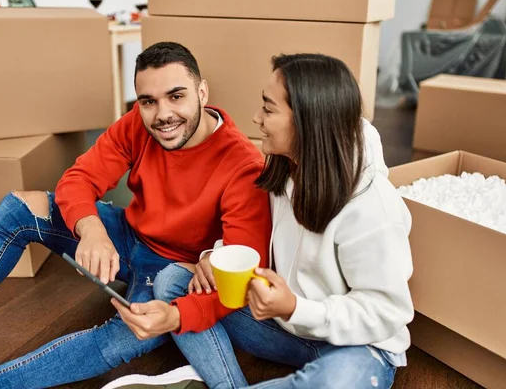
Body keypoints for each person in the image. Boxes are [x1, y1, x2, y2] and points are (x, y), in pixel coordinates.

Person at [0, 42, 271, 389]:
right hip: (127, 235)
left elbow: (238, 273)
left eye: (176, 96)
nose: (162, 114)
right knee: (20, 207)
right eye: (148, 101)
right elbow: (79, 178)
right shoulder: (140, 124)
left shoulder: (244, 166)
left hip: (174, 270)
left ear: (202, 91)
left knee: (128, 334)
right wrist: (92, 231)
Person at [112, 53, 415, 389]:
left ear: (307, 120)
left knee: (333, 382)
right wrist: (215, 254)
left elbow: (388, 312)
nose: (256, 118)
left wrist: (297, 307)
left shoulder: (372, 208)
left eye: (268, 108)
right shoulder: (285, 171)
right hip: (286, 327)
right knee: (173, 281)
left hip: (358, 347)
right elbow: (253, 237)